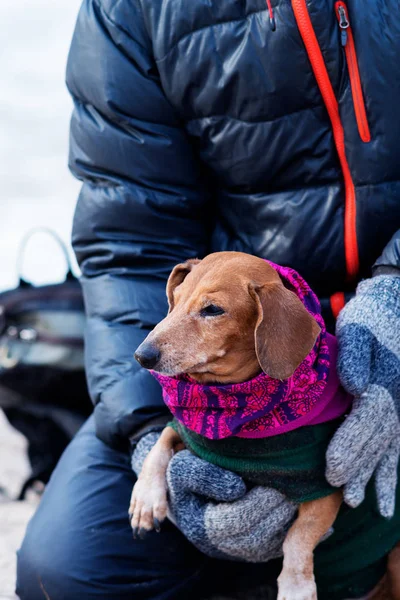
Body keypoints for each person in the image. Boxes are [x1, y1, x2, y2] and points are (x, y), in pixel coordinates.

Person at [16, 0, 400, 598]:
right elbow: (128, 238)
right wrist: (152, 430)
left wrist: (394, 299)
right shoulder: (130, 10)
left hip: (370, 316)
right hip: (220, 355)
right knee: (70, 570)